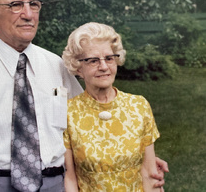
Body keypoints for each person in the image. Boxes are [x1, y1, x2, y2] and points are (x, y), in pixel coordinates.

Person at [0, 0, 83, 192]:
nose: (28, 14)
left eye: (34, 4)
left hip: (54, 184)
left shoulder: (57, 66)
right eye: (16, 5)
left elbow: (86, 123)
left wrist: (141, 160)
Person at [62, 22, 169, 191]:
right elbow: (70, 179)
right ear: (78, 68)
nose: (104, 67)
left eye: (109, 58)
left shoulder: (138, 106)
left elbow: (149, 173)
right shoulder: (68, 113)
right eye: (93, 60)